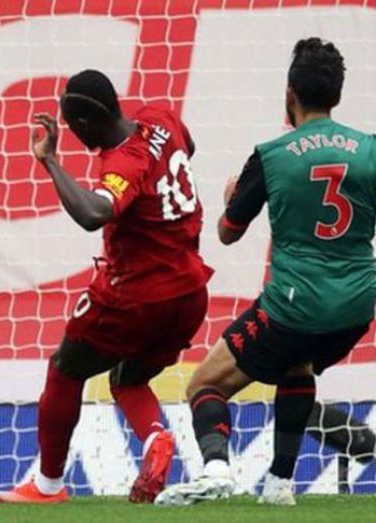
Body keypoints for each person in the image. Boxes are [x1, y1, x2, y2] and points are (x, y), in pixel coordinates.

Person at [156, 37, 375, 506]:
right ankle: (279, 485)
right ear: (336, 94)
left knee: (204, 385)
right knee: (299, 364)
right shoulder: (370, 150)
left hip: (295, 305)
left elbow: (229, 232)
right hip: (357, 305)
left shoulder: (273, 155)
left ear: (289, 94)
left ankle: (216, 470)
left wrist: (231, 196)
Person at [0, 70, 213, 504]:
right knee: (128, 378)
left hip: (138, 296)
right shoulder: (160, 117)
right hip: (190, 292)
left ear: (83, 126)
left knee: (65, 368)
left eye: (72, 128)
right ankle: (155, 441)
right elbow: (189, 147)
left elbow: (95, 212)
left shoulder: (123, 163)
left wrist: (50, 161)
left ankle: (48, 486)